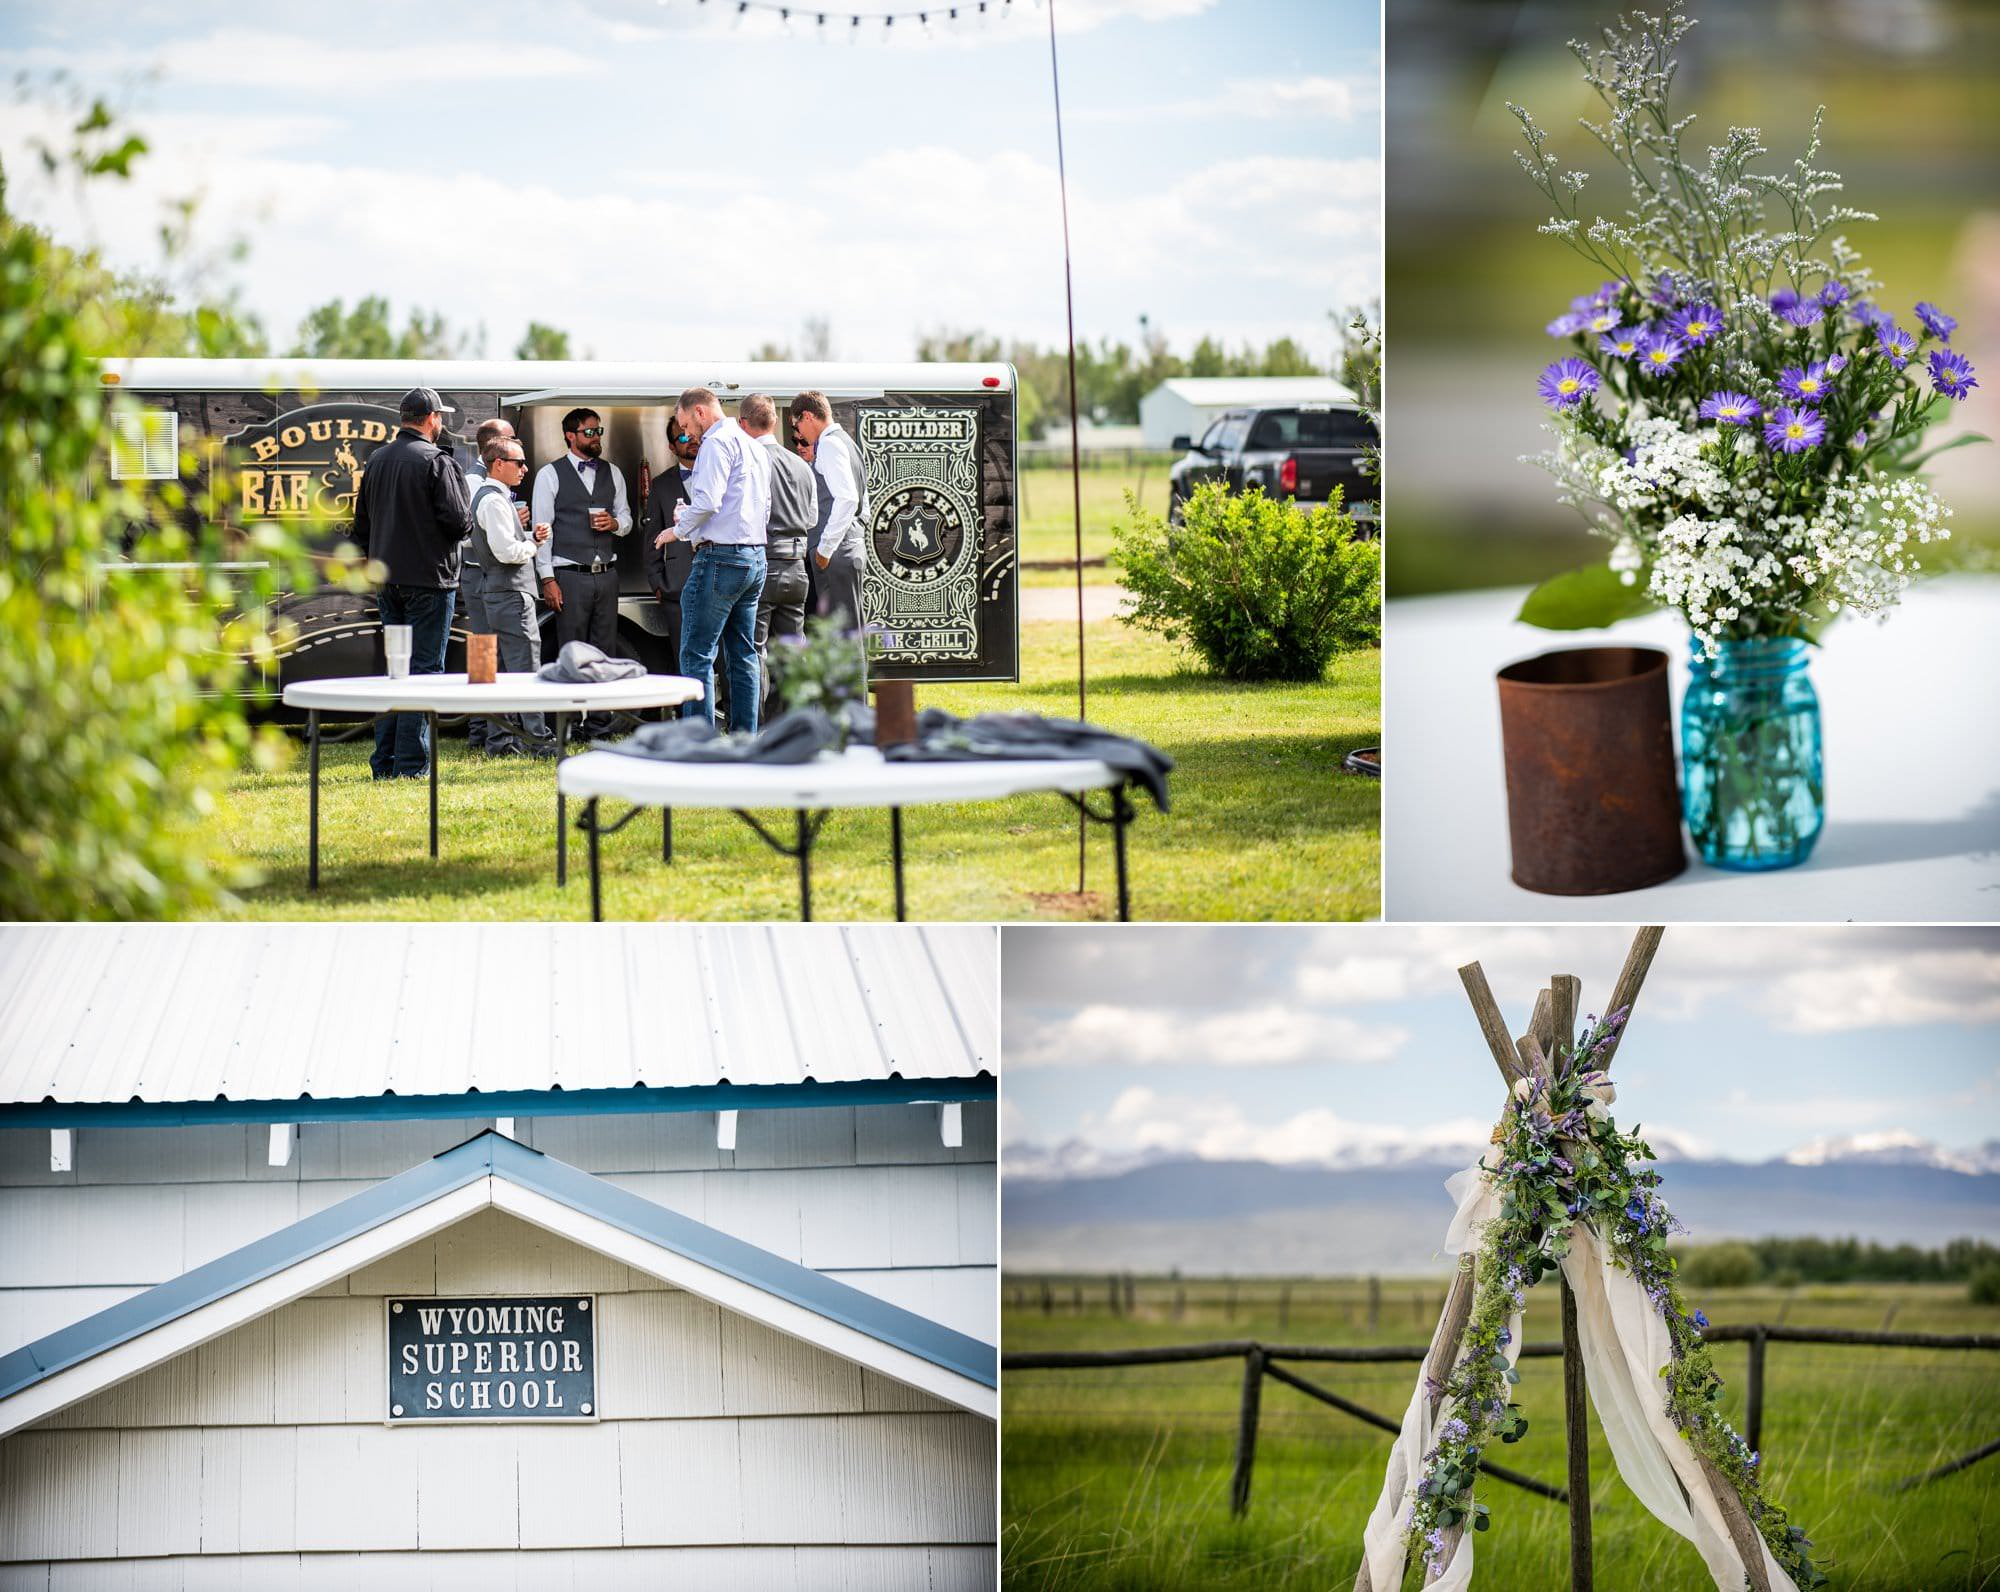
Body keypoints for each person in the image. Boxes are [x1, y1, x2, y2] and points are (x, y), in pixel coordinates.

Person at [351, 386, 472, 780]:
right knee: (424, 671)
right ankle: (411, 766)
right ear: (431, 418)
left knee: (396, 671)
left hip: (388, 583)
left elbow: (362, 529)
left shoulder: (377, 461)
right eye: (441, 417)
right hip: (430, 582)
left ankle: (383, 763)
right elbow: (459, 523)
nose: (442, 423)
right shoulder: (437, 462)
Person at [655, 387, 769, 734]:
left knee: (696, 653)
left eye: (686, 423)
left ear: (700, 411)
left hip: (720, 558)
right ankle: (745, 738)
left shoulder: (717, 443)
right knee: (743, 653)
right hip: (754, 556)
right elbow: (763, 506)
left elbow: (707, 501)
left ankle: (699, 742)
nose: (687, 432)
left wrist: (678, 530)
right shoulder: (753, 444)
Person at [465, 436, 553, 756]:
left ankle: (499, 741)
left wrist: (528, 535)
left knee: (493, 669)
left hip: (492, 590)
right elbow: (507, 552)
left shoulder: (487, 496)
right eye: (519, 462)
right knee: (525, 669)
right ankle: (539, 742)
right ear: (498, 464)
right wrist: (534, 546)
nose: (525, 469)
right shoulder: (494, 500)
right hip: (511, 592)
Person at [739, 393, 816, 716]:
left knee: (752, 651)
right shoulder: (801, 464)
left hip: (764, 563)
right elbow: (811, 518)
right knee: (791, 651)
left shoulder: (750, 460)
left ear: (744, 424)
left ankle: (753, 726)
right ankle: (791, 723)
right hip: (798, 568)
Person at [457, 417, 522, 753]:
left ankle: (492, 729)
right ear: (495, 446)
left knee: (495, 653)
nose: (519, 447)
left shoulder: (498, 480)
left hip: (493, 571)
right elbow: (467, 532)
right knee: (486, 653)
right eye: (513, 440)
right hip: (478, 572)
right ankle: (484, 730)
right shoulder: (471, 480)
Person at [787, 390, 869, 635]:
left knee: (840, 635)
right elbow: (863, 501)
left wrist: (825, 548)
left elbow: (847, 499)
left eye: (796, 424)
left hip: (836, 552)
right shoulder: (847, 442)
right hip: (847, 546)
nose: (799, 433)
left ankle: (851, 677)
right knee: (845, 632)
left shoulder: (830, 444)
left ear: (808, 416)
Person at [640, 424, 698, 679]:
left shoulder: (723, 475)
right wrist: (658, 583)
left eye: (697, 435)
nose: (692, 441)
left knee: (726, 661)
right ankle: (687, 718)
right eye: (684, 437)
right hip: (678, 587)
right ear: (672, 447)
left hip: (721, 583)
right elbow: (651, 539)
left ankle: (729, 719)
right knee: (684, 660)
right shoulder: (661, 485)